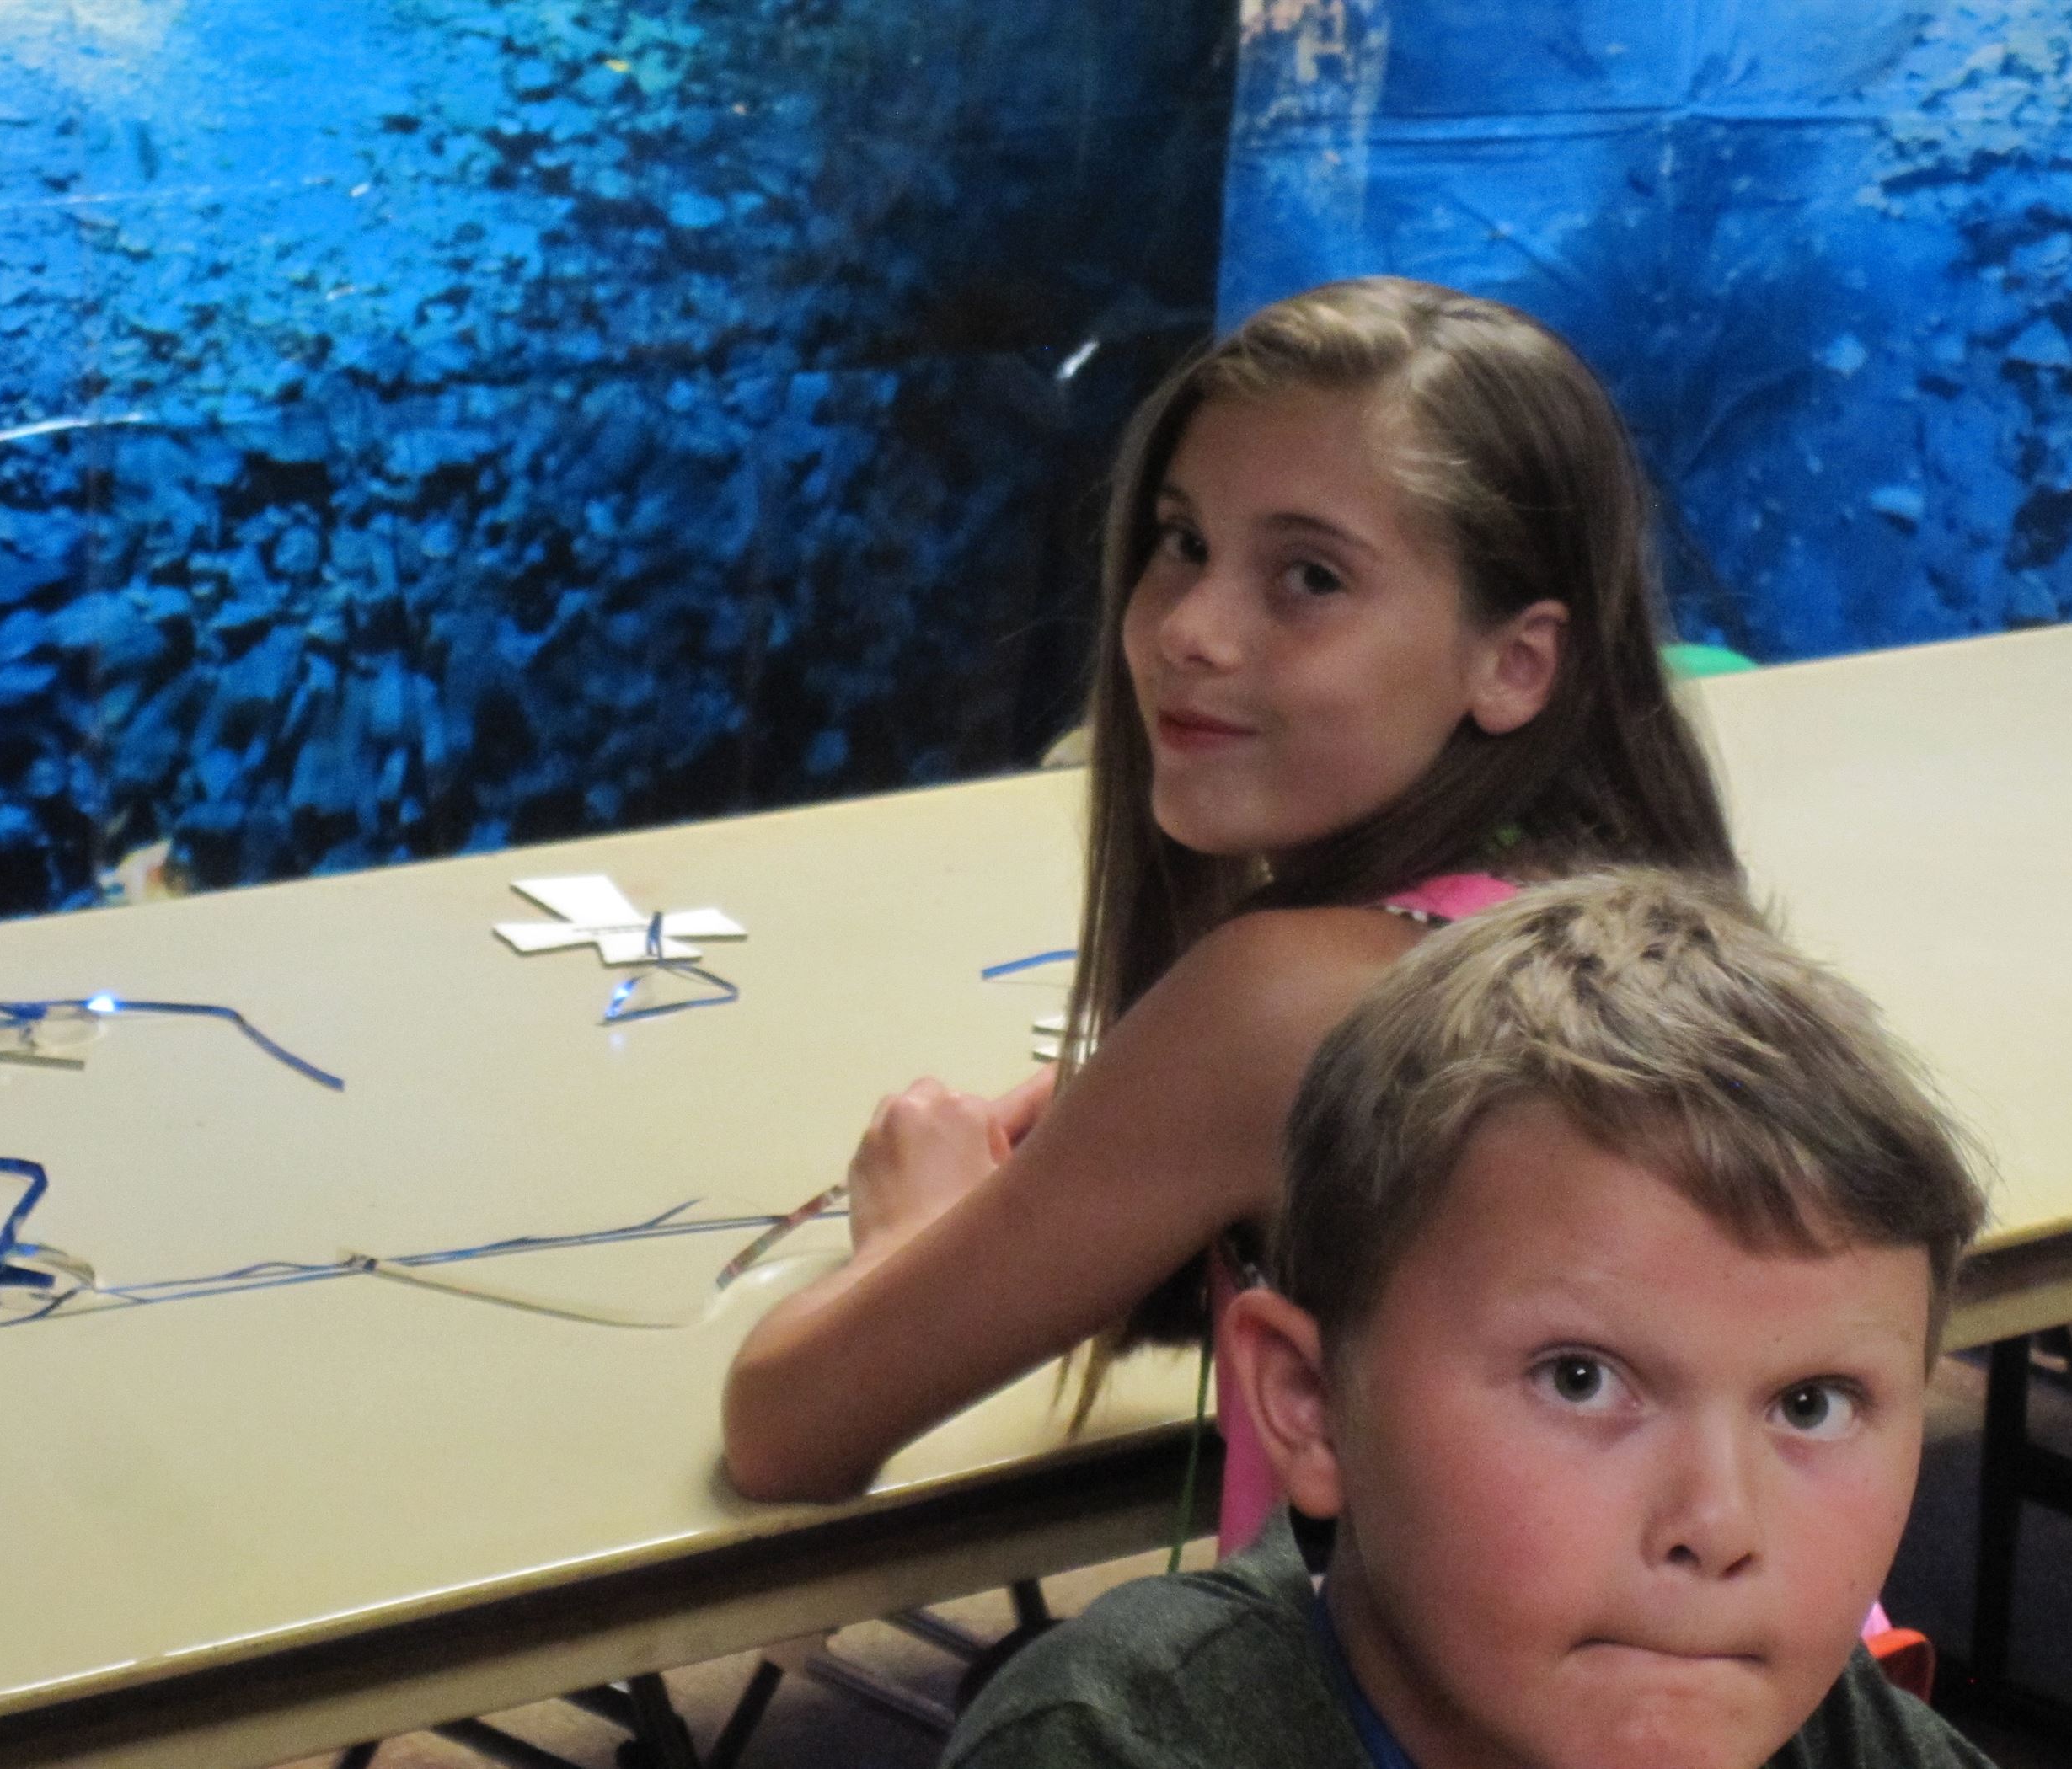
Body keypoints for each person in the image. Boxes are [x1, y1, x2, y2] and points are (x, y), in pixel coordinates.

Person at [721, 276, 1736, 1510]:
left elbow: (785, 1428)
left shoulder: (1282, 1008)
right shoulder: (1614, 902)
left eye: (1309, 577)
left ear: (1516, 663)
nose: (1188, 628)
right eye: (1183, 542)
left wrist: (915, 1229)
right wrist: (1136, 1124)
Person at [944, 868, 1992, 1769]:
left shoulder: (1853, 1743)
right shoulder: (1109, 1746)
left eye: (1812, 1405)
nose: (1715, 1528)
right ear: (1310, 1401)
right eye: (1579, 1379)